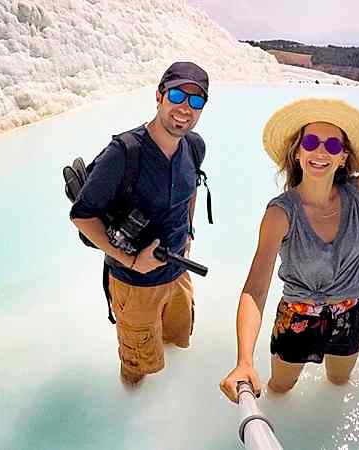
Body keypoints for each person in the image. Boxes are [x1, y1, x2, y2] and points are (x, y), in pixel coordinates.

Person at [219, 98, 359, 402]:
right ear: (298, 152)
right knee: (280, 390)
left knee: (338, 382)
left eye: (333, 145)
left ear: (343, 157)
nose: (321, 152)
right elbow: (255, 288)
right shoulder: (281, 213)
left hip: (349, 314)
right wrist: (244, 361)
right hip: (297, 318)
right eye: (311, 142)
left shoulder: (358, 193)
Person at [70, 61, 209, 385]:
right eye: (177, 95)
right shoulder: (124, 152)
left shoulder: (194, 145)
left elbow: (191, 188)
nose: (185, 108)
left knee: (175, 341)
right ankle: (133, 401)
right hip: (135, 285)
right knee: (137, 366)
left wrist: (188, 230)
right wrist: (132, 260)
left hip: (178, 272)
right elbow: (81, 215)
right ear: (159, 96)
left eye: (196, 100)